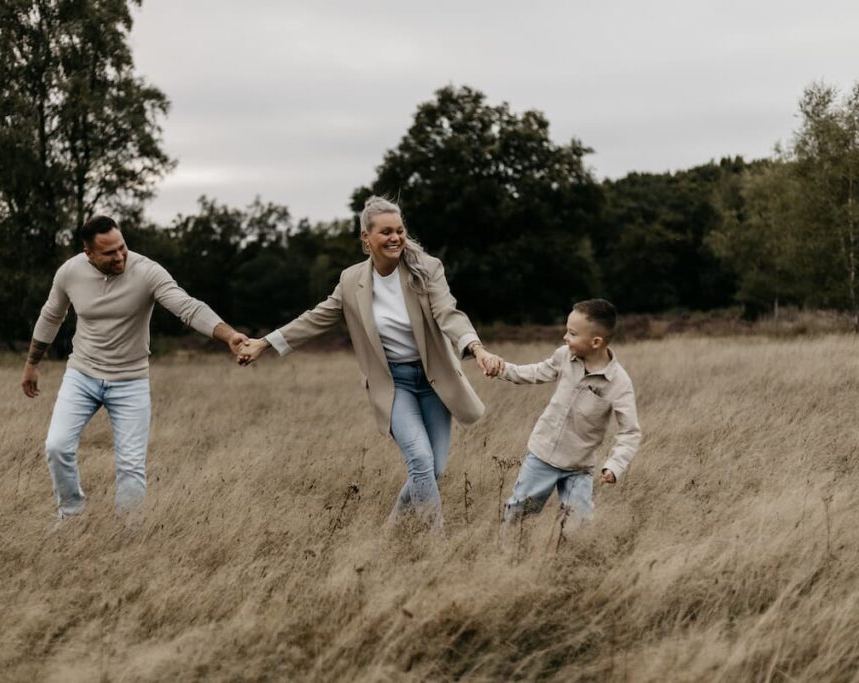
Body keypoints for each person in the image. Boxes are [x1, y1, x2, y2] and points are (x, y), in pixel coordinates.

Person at [237, 196, 503, 529]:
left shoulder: (427, 269)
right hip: (394, 385)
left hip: (435, 381)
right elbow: (316, 318)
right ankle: (438, 544)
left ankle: (390, 529)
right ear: (366, 238)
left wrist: (476, 348)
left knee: (433, 470)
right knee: (419, 461)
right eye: (386, 232)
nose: (395, 238)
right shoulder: (351, 281)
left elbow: (449, 314)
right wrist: (265, 342)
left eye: (400, 231)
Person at [21, 215, 248, 517]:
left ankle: (128, 535)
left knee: (130, 465)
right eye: (109, 252)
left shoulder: (147, 272)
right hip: (82, 375)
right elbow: (51, 316)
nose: (120, 256)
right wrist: (31, 364)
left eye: (122, 247)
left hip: (130, 381)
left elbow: (188, 307)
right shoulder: (69, 273)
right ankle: (71, 515)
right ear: (89, 253)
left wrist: (229, 335)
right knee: (57, 447)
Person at [489, 299, 641, 526]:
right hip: (543, 455)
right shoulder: (564, 356)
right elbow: (535, 372)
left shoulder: (619, 382)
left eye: (572, 333)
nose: (565, 337)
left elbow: (630, 432)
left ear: (596, 341)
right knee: (518, 516)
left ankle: (569, 559)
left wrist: (615, 465)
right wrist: (502, 369)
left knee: (577, 526)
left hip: (579, 467)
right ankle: (505, 555)